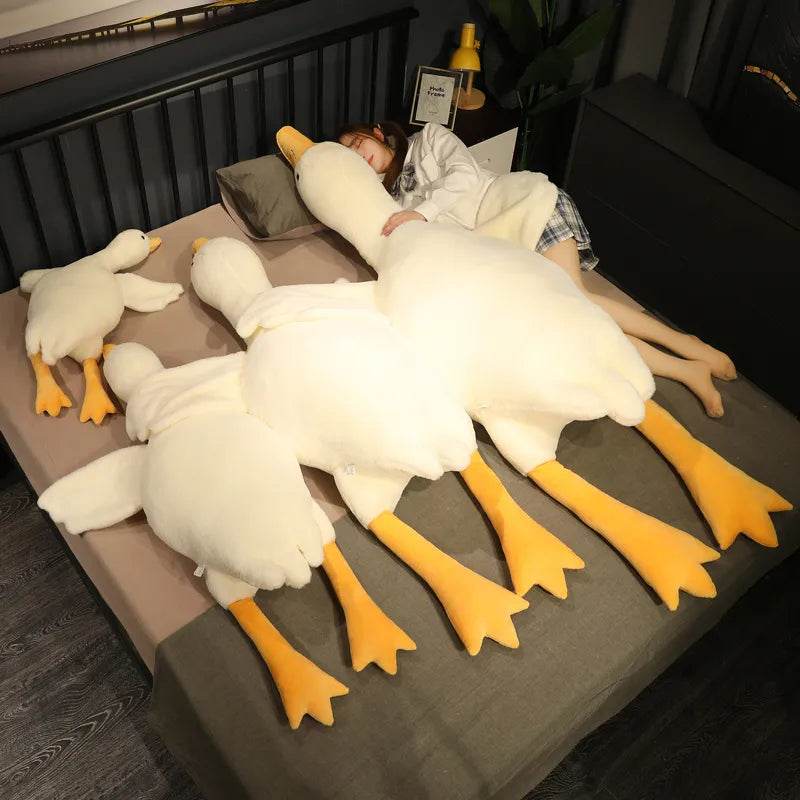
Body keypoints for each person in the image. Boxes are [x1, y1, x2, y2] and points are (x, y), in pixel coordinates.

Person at [336, 119, 736, 417]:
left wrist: (423, 212)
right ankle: (687, 368)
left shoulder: (430, 139)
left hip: (523, 206)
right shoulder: (393, 205)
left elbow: (464, 175)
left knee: (579, 300)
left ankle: (688, 349)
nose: (358, 154)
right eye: (349, 157)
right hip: (505, 251)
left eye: (356, 142)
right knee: (578, 322)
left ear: (376, 132)